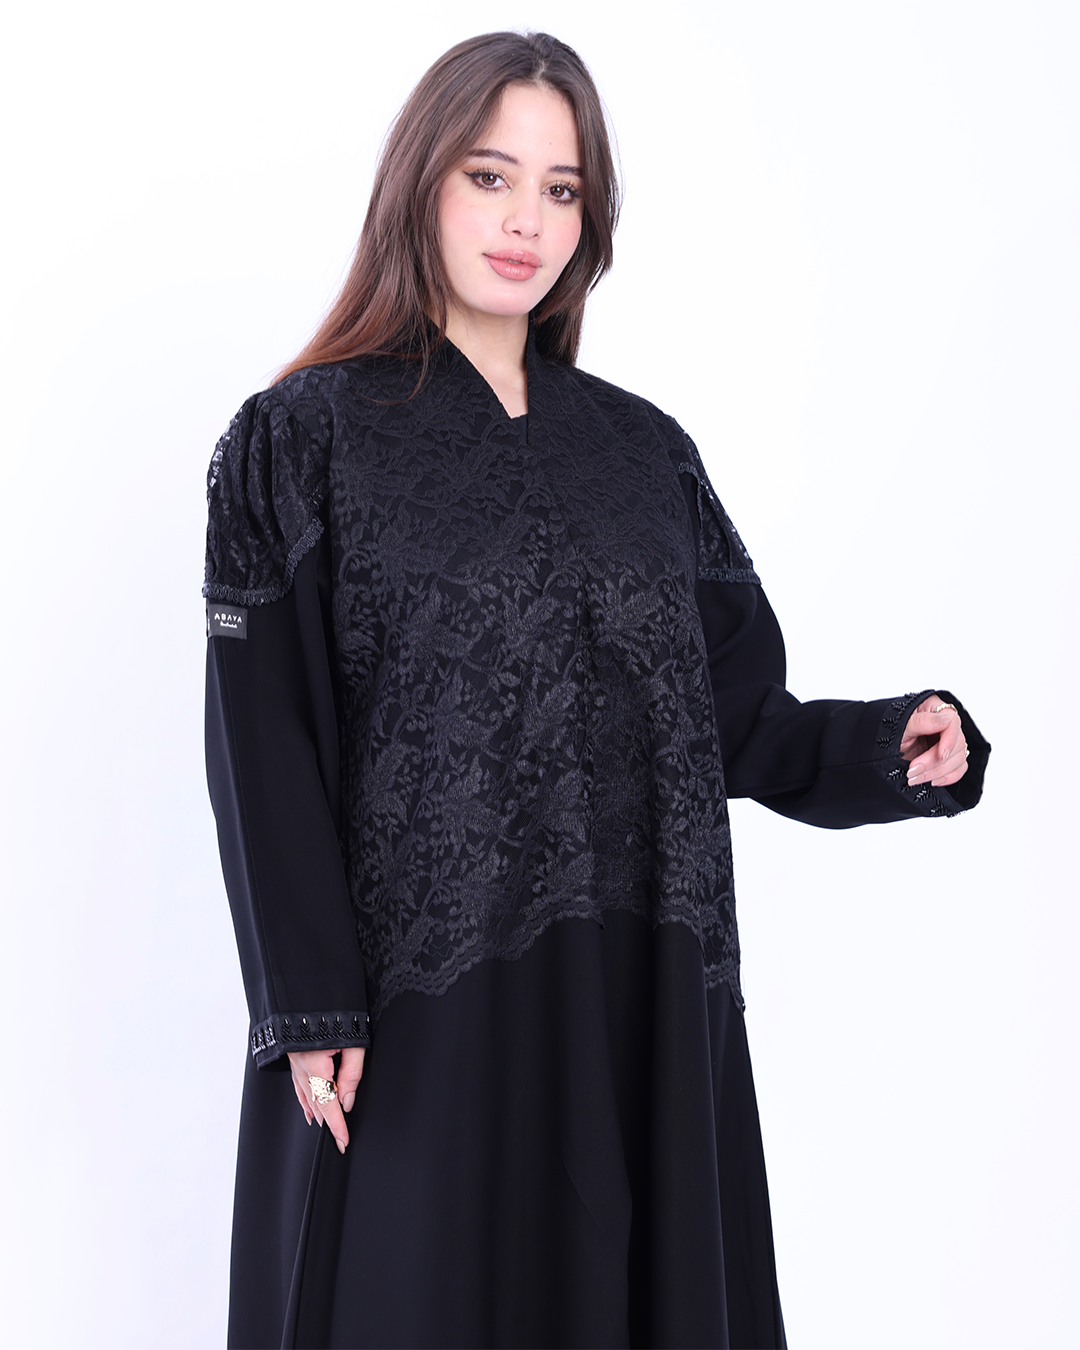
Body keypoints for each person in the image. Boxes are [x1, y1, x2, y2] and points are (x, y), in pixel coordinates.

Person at [204, 30, 988, 1350]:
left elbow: (736, 718)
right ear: (419, 185)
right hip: (421, 1022)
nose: (526, 220)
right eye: (490, 176)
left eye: (561, 189)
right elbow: (261, 743)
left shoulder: (642, 454)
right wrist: (310, 1005)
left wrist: (885, 748)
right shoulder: (301, 440)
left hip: (640, 1007)